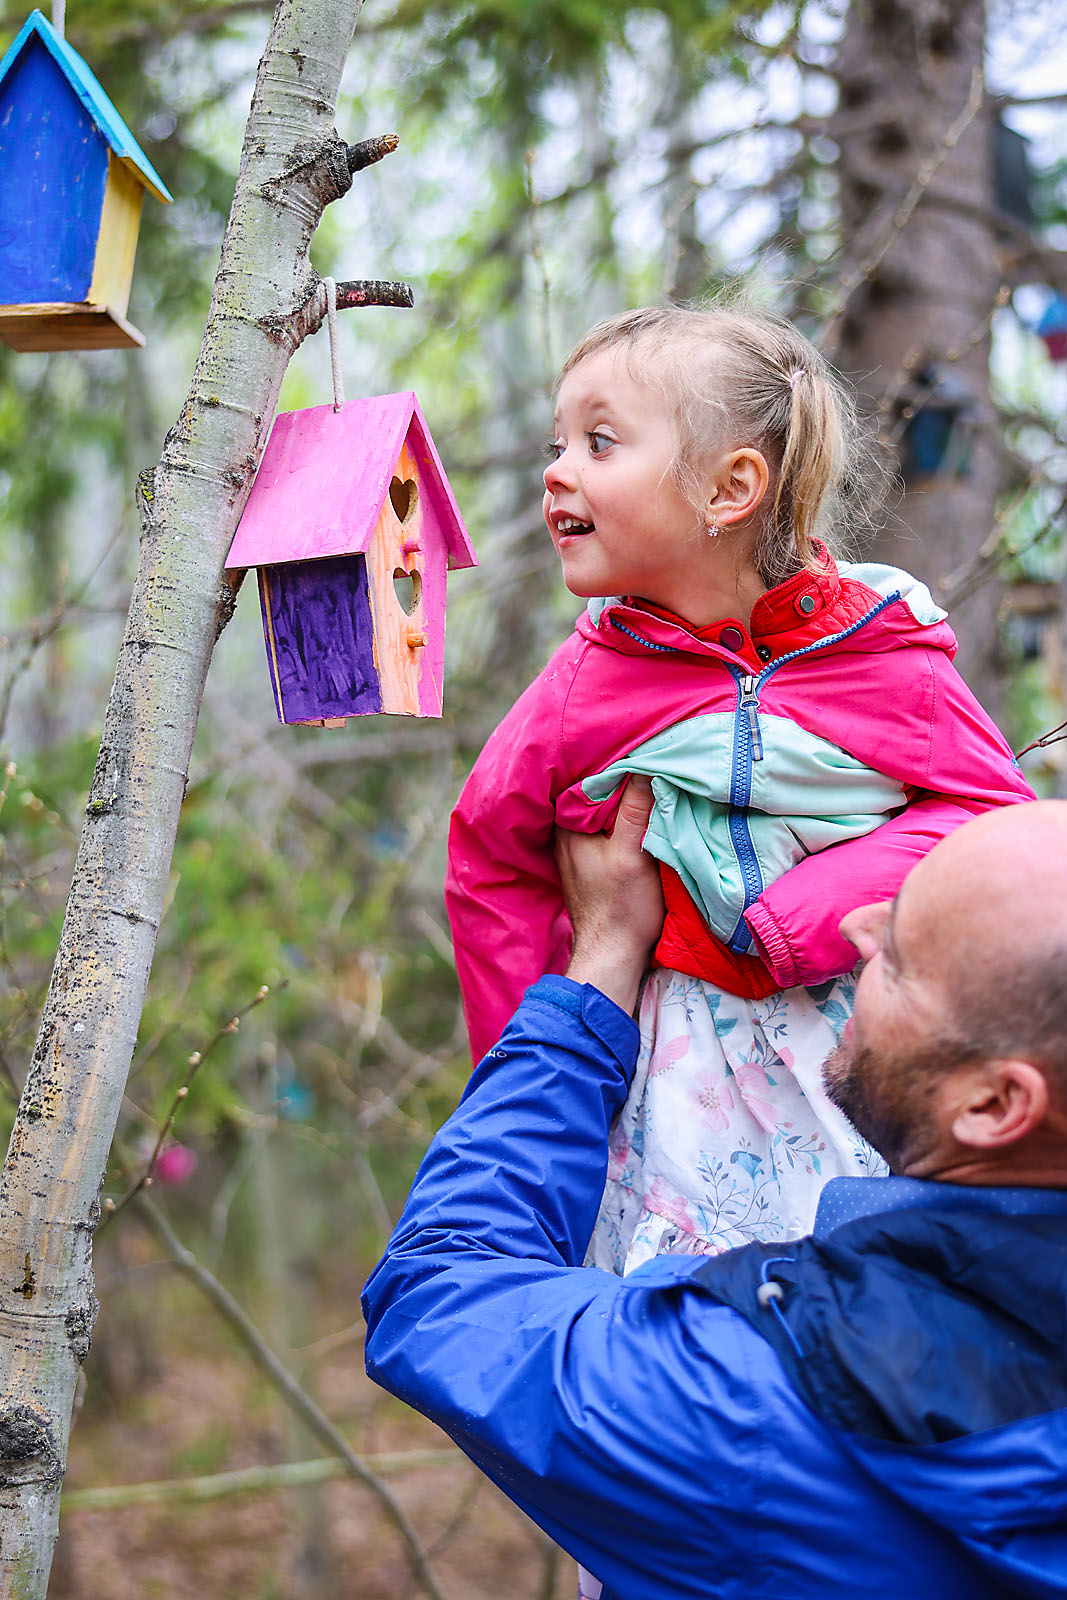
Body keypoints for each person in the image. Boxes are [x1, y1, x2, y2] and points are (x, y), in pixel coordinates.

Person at [363, 784, 1067, 1600]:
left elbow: (440, 1295)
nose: (855, 927)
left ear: (993, 1106)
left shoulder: (748, 1404)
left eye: (903, 964)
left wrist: (596, 970)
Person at [447, 302, 1033, 1274]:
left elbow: (994, 824)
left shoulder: (882, 650)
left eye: (599, 442)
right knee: (679, 1304)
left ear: (729, 488)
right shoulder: (586, 680)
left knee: (866, 1298)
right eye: (558, 443)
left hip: (859, 1062)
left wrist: (801, 913)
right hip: (675, 1076)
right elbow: (487, 861)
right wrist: (536, 1078)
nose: (556, 470)